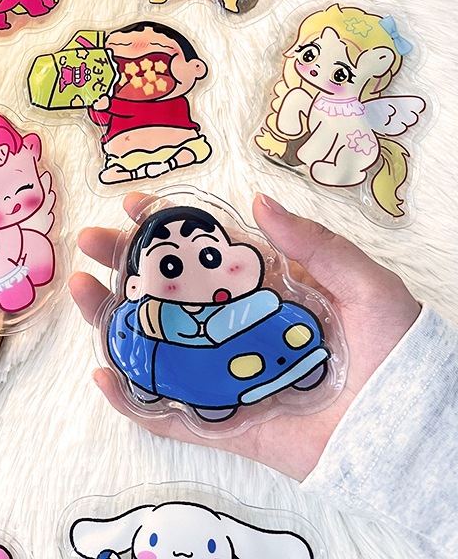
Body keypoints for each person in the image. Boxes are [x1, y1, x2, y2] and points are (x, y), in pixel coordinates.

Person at [70, 192, 458, 556]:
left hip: (237, 331)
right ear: (135, 285)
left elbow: (253, 309)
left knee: (286, 322)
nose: (201, 270)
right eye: (170, 265)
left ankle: (288, 361)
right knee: (215, 362)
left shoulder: (250, 296)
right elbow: (188, 329)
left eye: (210, 255)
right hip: (183, 354)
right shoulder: (152, 318)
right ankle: (217, 394)